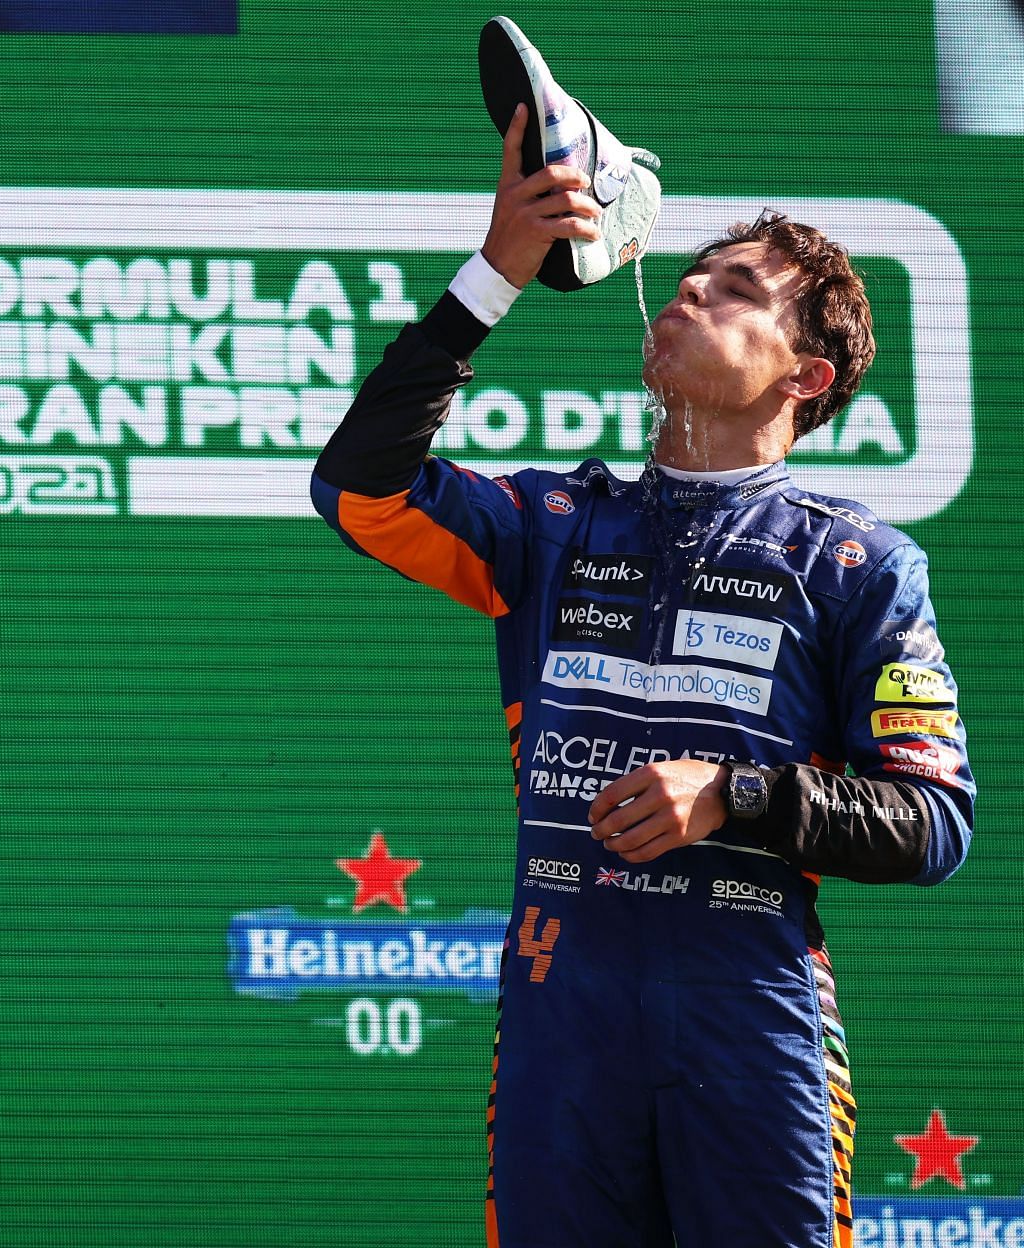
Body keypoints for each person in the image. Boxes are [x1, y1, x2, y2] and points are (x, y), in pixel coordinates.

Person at [310, 107, 975, 1247]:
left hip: (753, 1028)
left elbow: (932, 821)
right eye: (691, 276)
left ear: (805, 375)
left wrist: (734, 796)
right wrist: (493, 274)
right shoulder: (549, 523)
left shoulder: (859, 563)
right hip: (562, 1027)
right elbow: (360, 492)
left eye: (735, 292)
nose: (689, 293)